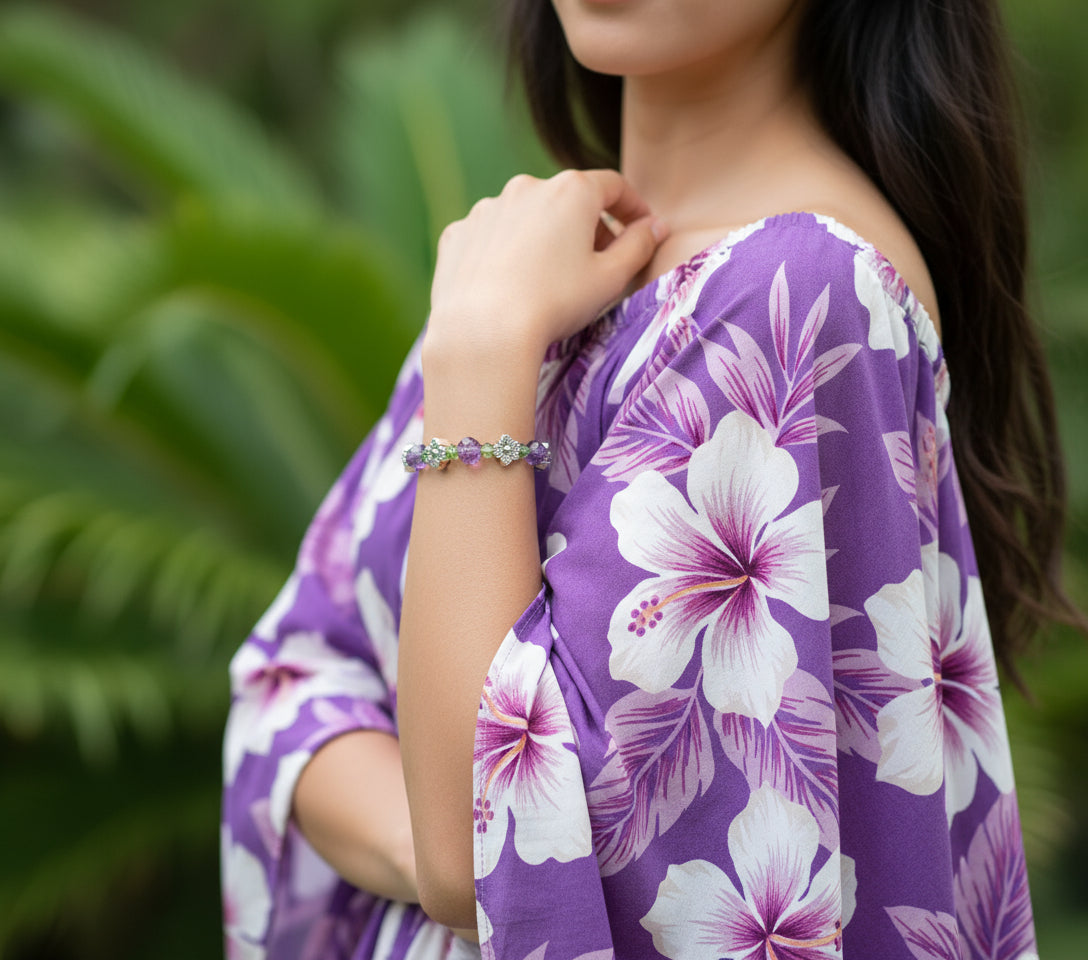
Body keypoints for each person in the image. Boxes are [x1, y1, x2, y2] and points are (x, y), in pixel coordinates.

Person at [222, 1, 1078, 957]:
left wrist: (476, 355)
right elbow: (290, 675)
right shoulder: (532, 279)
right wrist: (428, 841)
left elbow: (477, 851)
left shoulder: (798, 292)